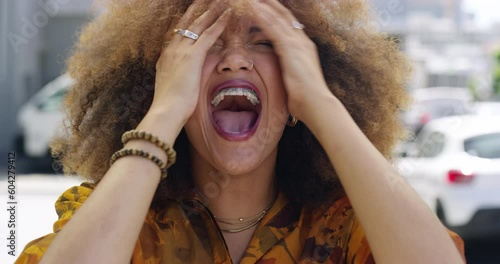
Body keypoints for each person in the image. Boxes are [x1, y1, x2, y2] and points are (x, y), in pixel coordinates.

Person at [17, 0, 465, 263]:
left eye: (264, 42)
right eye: (205, 43)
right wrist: (163, 112)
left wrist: (322, 105)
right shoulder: (117, 219)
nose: (235, 59)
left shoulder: (347, 225)